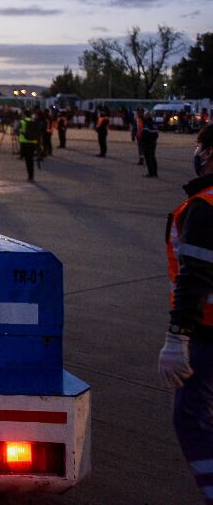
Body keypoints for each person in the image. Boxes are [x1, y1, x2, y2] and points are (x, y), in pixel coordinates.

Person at [158, 125, 213, 503]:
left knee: (191, 419)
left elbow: (194, 275)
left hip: (206, 332)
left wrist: (177, 336)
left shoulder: (204, 206)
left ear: (208, 153)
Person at [18, 110, 40, 181]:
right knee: (30, 159)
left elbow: (16, 130)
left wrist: (21, 132)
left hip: (24, 142)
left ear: (24, 114)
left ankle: (30, 176)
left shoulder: (22, 122)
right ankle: (31, 175)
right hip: (33, 142)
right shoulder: (34, 122)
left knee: (27, 160)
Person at [141, 113, 160, 178]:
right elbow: (156, 134)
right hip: (153, 143)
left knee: (148, 158)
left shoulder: (146, 124)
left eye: (145, 115)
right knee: (153, 157)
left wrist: (142, 141)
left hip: (147, 143)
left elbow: (144, 134)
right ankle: (155, 173)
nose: (144, 116)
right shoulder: (154, 123)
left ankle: (150, 173)